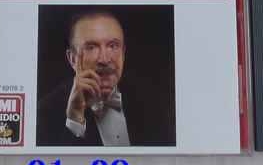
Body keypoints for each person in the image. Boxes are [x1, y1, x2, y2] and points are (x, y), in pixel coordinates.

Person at [36, 10, 174, 146]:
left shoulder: (153, 101)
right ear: (72, 59)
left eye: (113, 46)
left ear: (123, 53)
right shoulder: (45, 113)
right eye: (91, 47)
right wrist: (75, 120)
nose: (104, 59)